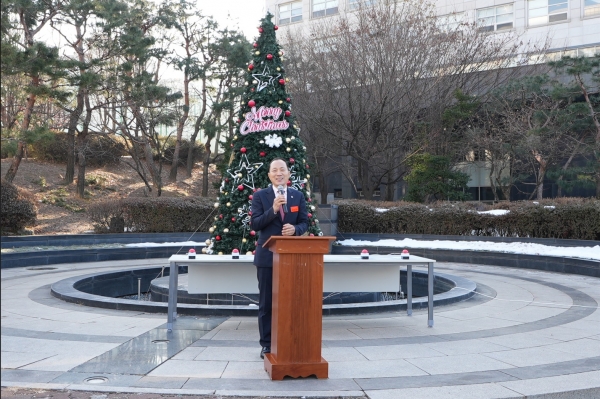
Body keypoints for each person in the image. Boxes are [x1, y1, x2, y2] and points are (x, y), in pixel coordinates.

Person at [250, 158, 309, 359]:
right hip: (267, 258)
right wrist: (273, 210)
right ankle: (266, 344)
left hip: (291, 258)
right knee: (266, 303)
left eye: (282, 169)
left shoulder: (298, 196)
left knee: (291, 300)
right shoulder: (260, 196)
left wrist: (296, 229)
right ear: (269, 175)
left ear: (288, 174)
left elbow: (304, 223)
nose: (278, 173)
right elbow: (255, 224)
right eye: (274, 170)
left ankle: (289, 338)